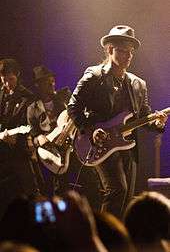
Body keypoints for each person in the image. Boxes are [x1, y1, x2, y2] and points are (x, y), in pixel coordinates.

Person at [67, 25, 168, 219]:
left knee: (127, 196)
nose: (128, 56)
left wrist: (158, 123)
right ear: (109, 49)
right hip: (99, 143)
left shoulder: (138, 84)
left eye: (131, 52)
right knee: (117, 190)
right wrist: (90, 131)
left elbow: (142, 116)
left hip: (126, 145)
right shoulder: (94, 76)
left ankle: (118, 237)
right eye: (123, 50)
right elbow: (73, 107)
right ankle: (108, 240)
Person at [0, 58, 40, 218]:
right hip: (2, 152)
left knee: (31, 190)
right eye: (4, 80)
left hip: (20, 151)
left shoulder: (28, 97)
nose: (7, 83)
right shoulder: (1, 94)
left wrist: (17, 136)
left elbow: (32, 125)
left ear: (17, 75)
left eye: (11, 79)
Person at [27, 65, 72, 196]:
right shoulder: (32, 108)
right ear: (38, 85)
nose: (52, 84)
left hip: (69, 145)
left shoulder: (63, 98)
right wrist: (39, 138)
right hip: (49, 151)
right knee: (51, 189)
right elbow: (33, 133)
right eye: (47, 82)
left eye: (53, 81)